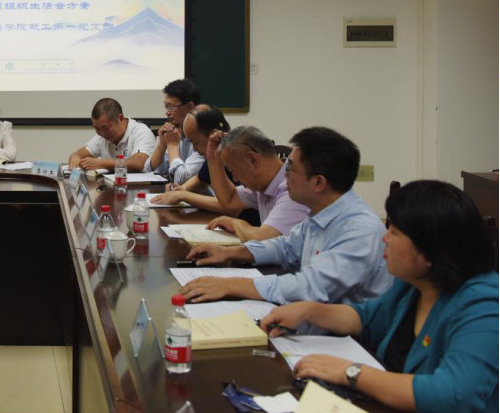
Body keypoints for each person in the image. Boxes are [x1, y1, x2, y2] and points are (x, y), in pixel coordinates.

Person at [261, 180, 498, 413]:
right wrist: (309, 311)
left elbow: (454, 396)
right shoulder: (413, 284)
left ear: (430, 249)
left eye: (394, 231)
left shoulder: (484, 303)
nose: (385, 238)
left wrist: (352, 373)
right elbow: (366, 319)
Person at [179, 127, 392, 305]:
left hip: (350, 338)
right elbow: (286, 247)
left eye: (290, 169)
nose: (284, 175)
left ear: (318, 182)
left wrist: (229, 285)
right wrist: (231, 252)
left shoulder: (359, 231)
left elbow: (310, 286)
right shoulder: (320, 213)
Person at [200, 125, 309, 241]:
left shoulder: (292, 188)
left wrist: (236, 223)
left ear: (253, 159)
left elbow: (263, 239)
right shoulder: (264, 183)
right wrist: (213, 160)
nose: (235, 179)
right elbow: (229, 199)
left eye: (233, 171)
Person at [148, 105, 239, 215]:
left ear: (212, 135)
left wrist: (184, 195)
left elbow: (231, 205)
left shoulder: (234, 156)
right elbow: (200, 180)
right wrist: (181, 189)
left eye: (196, 143)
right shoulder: (213, 154)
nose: (195, 149)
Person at [68, 98, 155, 172]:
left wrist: (101, 163)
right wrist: (75, 159)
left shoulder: (141, 131)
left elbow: (139, 163)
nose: (101, 134)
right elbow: (77, 154)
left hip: (139, 186)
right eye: (96, 128)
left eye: (105, 128)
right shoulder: (101, 137)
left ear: (120, 118)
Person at [146, 79, 205, 184]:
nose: (167, 112)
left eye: (171, 106)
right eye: (166, 106)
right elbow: (152, 171)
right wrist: (162, 146)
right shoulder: (175, 132)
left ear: (190, 107)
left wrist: (172, 146)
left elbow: (182, 179)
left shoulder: (203, 137)